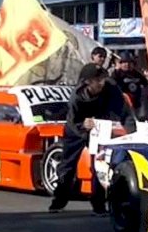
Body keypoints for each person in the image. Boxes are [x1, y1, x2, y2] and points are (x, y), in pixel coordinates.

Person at [49, 63, 137, 214]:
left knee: (99, 164)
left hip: (99, 127)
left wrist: (132, 135)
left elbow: (125, 113)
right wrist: (83, 125)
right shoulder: (77, 96)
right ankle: (59, 201)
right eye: (97, 80)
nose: (101, 83)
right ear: (87, 82)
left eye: (102, 79)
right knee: (68, 165)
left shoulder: (111, 88)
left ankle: (99, 204)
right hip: (77, 129)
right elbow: (73, 121)